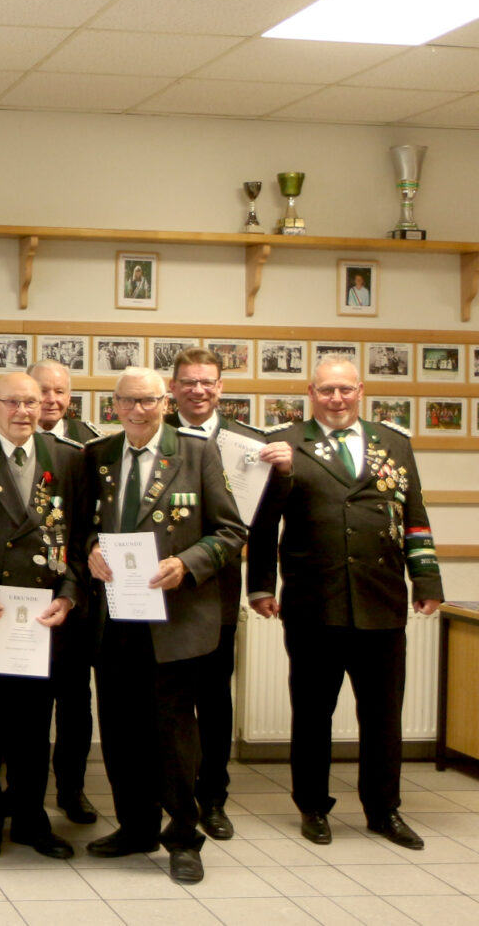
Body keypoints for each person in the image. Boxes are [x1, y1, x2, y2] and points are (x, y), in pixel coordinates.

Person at [247, 355, 441, 851]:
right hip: (316, 601)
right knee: (313, 712)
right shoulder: (285, 444)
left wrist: (426, 580)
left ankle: (384, 810)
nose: (336, 399)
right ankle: (313, 806)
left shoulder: (394, 443)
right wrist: (262, 586)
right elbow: (264, 524)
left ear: (361, 391)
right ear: (311, 392)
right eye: (326, 390)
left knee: (383, 715)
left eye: (345, 390)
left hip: (381, 601)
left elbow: (414, 514)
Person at [78, 366, 246, 885]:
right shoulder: (97, 456)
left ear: (165, 402)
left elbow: (231, 530)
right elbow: (82, 523)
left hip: (174, 620)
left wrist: (188, 564)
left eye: (147, 400)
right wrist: (90, 550)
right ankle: (136, 827)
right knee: (122, 730)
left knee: (173, 735)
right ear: (115, 406)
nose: (137, 410)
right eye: (127, 402)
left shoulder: (196, 453)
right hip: (114, 618)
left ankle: (183, 836)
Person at [0, 372, 84, 861]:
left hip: (44, 616)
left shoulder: (67, 459)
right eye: (13, 402)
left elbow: (83, 538)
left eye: (32, 401)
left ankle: (30, 819)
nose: (24, 410)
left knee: (34, 725)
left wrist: (68, 594)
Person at [164, 347, 280, 841]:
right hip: (158, 593)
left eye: (207, 382)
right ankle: (166, 794)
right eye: (188, 382)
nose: (198, 390)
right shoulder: (150, 433)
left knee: (213, 700)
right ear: (172, 388)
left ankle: (212, 797)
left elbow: (267, 522)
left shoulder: (250, 446)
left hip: (218, 592)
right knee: (167, 703)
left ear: (221, 388)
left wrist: (261, 586)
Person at [26, 358, 101, 824]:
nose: (51, 400)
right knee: (28, 703)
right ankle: (24, 793)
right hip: (22, 599)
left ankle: (72, 789)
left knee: (74, 701)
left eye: (59, 392)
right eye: (42, 391)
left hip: (76, 595)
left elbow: (96, 521)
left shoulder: (93, 445)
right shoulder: (7, 436)